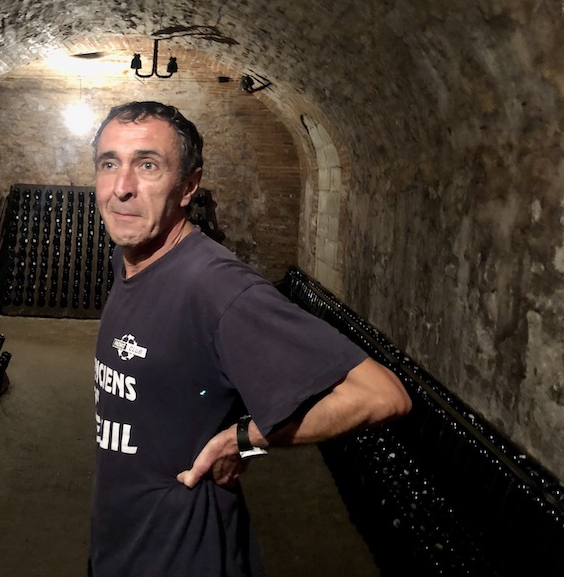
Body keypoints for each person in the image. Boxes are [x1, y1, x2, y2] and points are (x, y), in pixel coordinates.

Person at [89, 101, 411, 576]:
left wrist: (243, 438)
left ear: (189, 186)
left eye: (148, 165)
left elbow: (381, 394)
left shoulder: (218, 287)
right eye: (109, 164)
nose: (122, 187)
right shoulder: (129, 261)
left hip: (183, 555)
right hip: (120, 538)